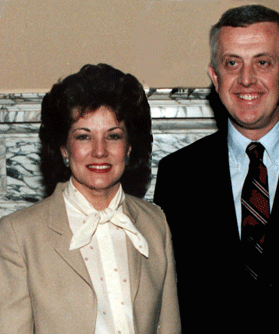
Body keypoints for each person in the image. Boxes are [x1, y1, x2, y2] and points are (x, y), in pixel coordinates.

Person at [154, 5, 279, 332]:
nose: (246, 79)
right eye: (232, 63)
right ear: (215, 77)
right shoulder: (179, 175)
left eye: (262, 62)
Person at [0, 64, 180, 334]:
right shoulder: (19, 235)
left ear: (129, 147)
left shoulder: (156, 225)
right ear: (63, 148)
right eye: (84, 136)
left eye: (114, 136)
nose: (100, 151)